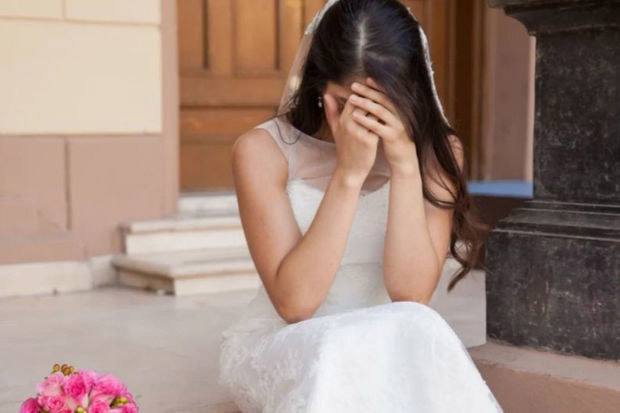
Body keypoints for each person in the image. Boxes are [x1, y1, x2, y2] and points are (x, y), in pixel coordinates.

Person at [218, 0, 502, 411]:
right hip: (297, 340)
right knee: (339, 348)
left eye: (382, 105)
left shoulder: (438, 152)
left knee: (422, 327)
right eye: (347, 102)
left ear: (410, 92)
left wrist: (405, 165)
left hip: (392, 336)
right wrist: (348, 175)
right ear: (319, 87)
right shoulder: (263, 152)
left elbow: (410, 295)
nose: (365, 120)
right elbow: (296, 304)